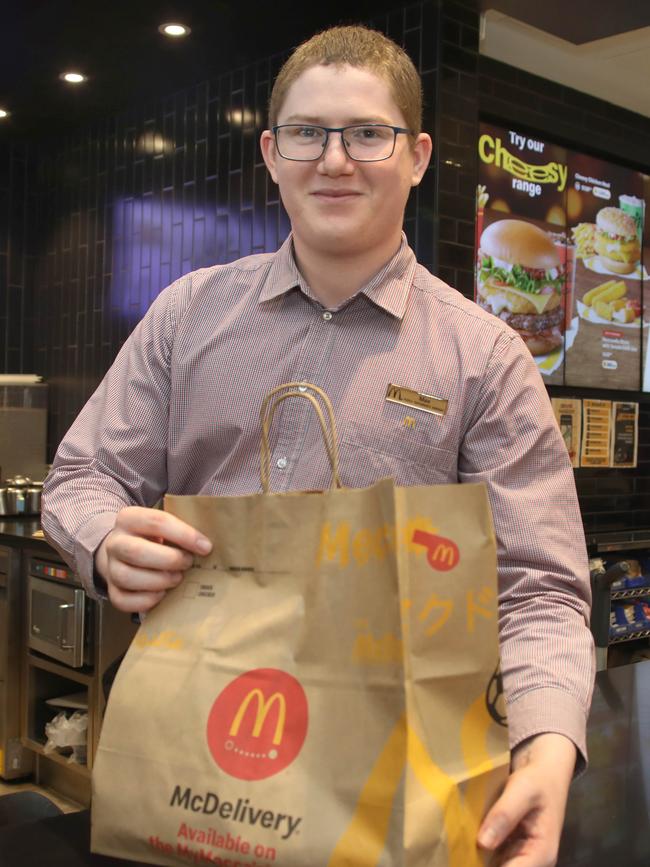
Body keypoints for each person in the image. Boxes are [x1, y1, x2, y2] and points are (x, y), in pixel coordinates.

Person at [42, 24, 595, 867]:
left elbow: (540, 589)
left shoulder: (485, 357)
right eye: (307, 133)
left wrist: (548, 746)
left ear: (416, 156)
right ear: (271, 152)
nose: (335, 160)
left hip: (390, 776)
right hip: (184, 752)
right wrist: (104, 540)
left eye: (368, 134)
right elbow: (81, 476)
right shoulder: (187, 315)